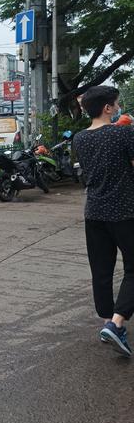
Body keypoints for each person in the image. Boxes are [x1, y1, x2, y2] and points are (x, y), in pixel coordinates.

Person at [73, 85, 134, 357]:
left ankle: (108, 322)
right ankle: (116, 323)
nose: (119, 107)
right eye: (116, 104)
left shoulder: (79, 138)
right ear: (107, 108)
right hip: (124, 211)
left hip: (94, 212)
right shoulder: (123, 133)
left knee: (101, 270)